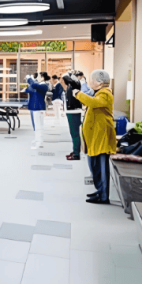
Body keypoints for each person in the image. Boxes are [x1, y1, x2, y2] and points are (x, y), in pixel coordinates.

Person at [72, 70, 116, 204]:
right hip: (96, 136)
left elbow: (93, 103)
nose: (90, 82)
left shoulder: (105, 93)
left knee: (101, 166)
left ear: (100, 82)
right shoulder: (99, 93)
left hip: (102, 136)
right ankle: (100, 191)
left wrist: (78, 94)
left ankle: (103, 196)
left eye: (92, 80)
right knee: (95, 165)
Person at [24, 73, 49, 149]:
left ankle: (39, 143)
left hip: (39, 108)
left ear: (42, 77)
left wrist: (29, 79)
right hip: (35, 107)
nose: (37, 78)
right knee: (37, 126)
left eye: (38, 77)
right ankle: (38, 140)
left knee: (39, 126)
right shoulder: (38, 85)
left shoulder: (44, 85)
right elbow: (28, 90)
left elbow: (34, 85)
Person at [62, 74, 83, 160]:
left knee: (75, 133)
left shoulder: (75, 85)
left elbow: (70, 80)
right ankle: (75, 151)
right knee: (73, 133)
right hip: (71, 111)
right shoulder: (70, 86)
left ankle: (76, 153)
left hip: (74, 111)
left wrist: (69, 74)